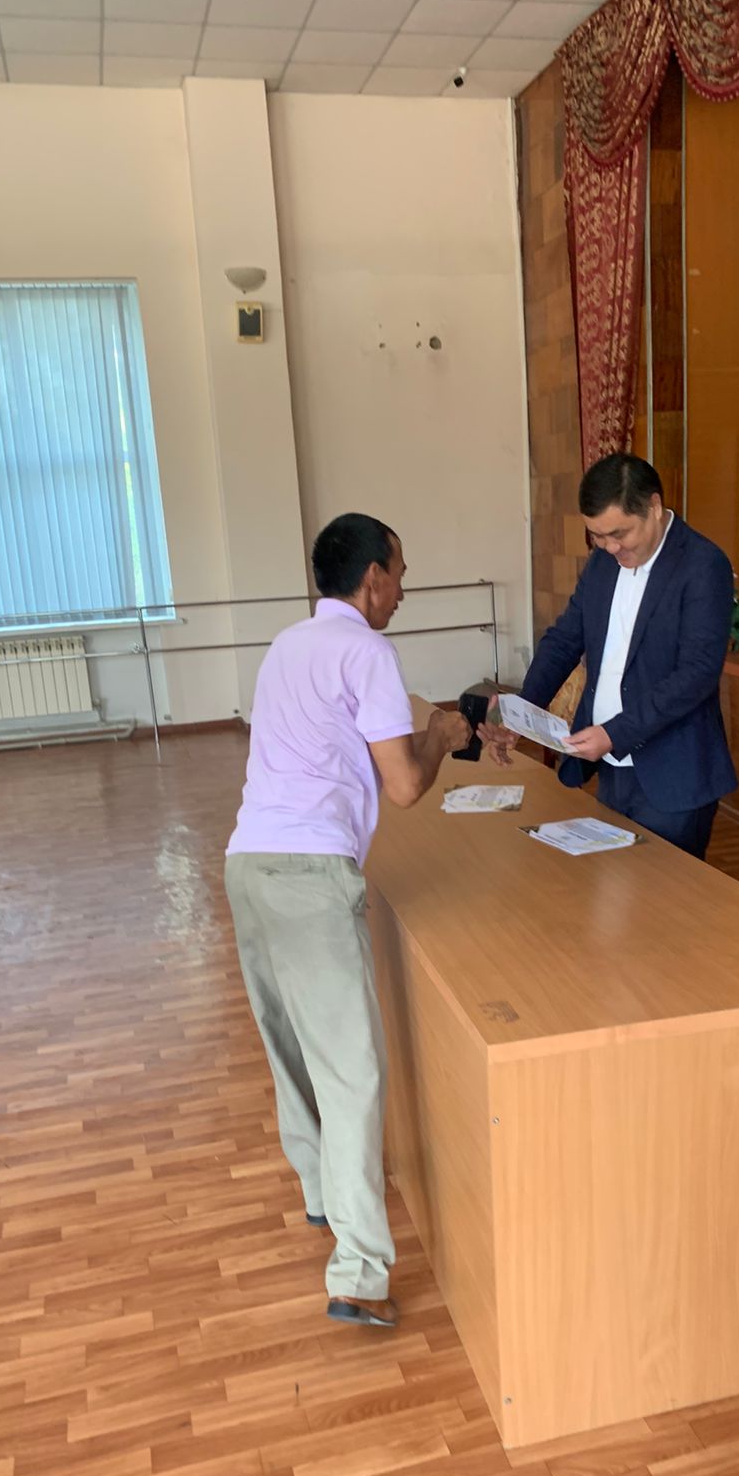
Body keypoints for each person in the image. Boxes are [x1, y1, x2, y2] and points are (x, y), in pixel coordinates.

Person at [224, 513, 469, 1331]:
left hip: (246, 864)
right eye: (400, 574)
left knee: (291, 1047)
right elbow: (404, 786)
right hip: (309, 876)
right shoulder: (367, 650)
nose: (402, 590)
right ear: (371, 579)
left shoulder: (286, 644)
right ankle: (359, 1272)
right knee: (353, 1072)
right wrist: (440, 735)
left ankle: (321, 1195)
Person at [483, 453, 736, 858]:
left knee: (666, 892)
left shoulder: (702, 565)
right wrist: (521, 710)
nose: (611, 547)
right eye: (598, 536)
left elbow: (697, 674)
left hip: (673, 774)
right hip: (610, 768)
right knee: (611, 883)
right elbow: (565, 639)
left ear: (654, 507)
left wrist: (615, 733)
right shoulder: (603, 562)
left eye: (619, 533)